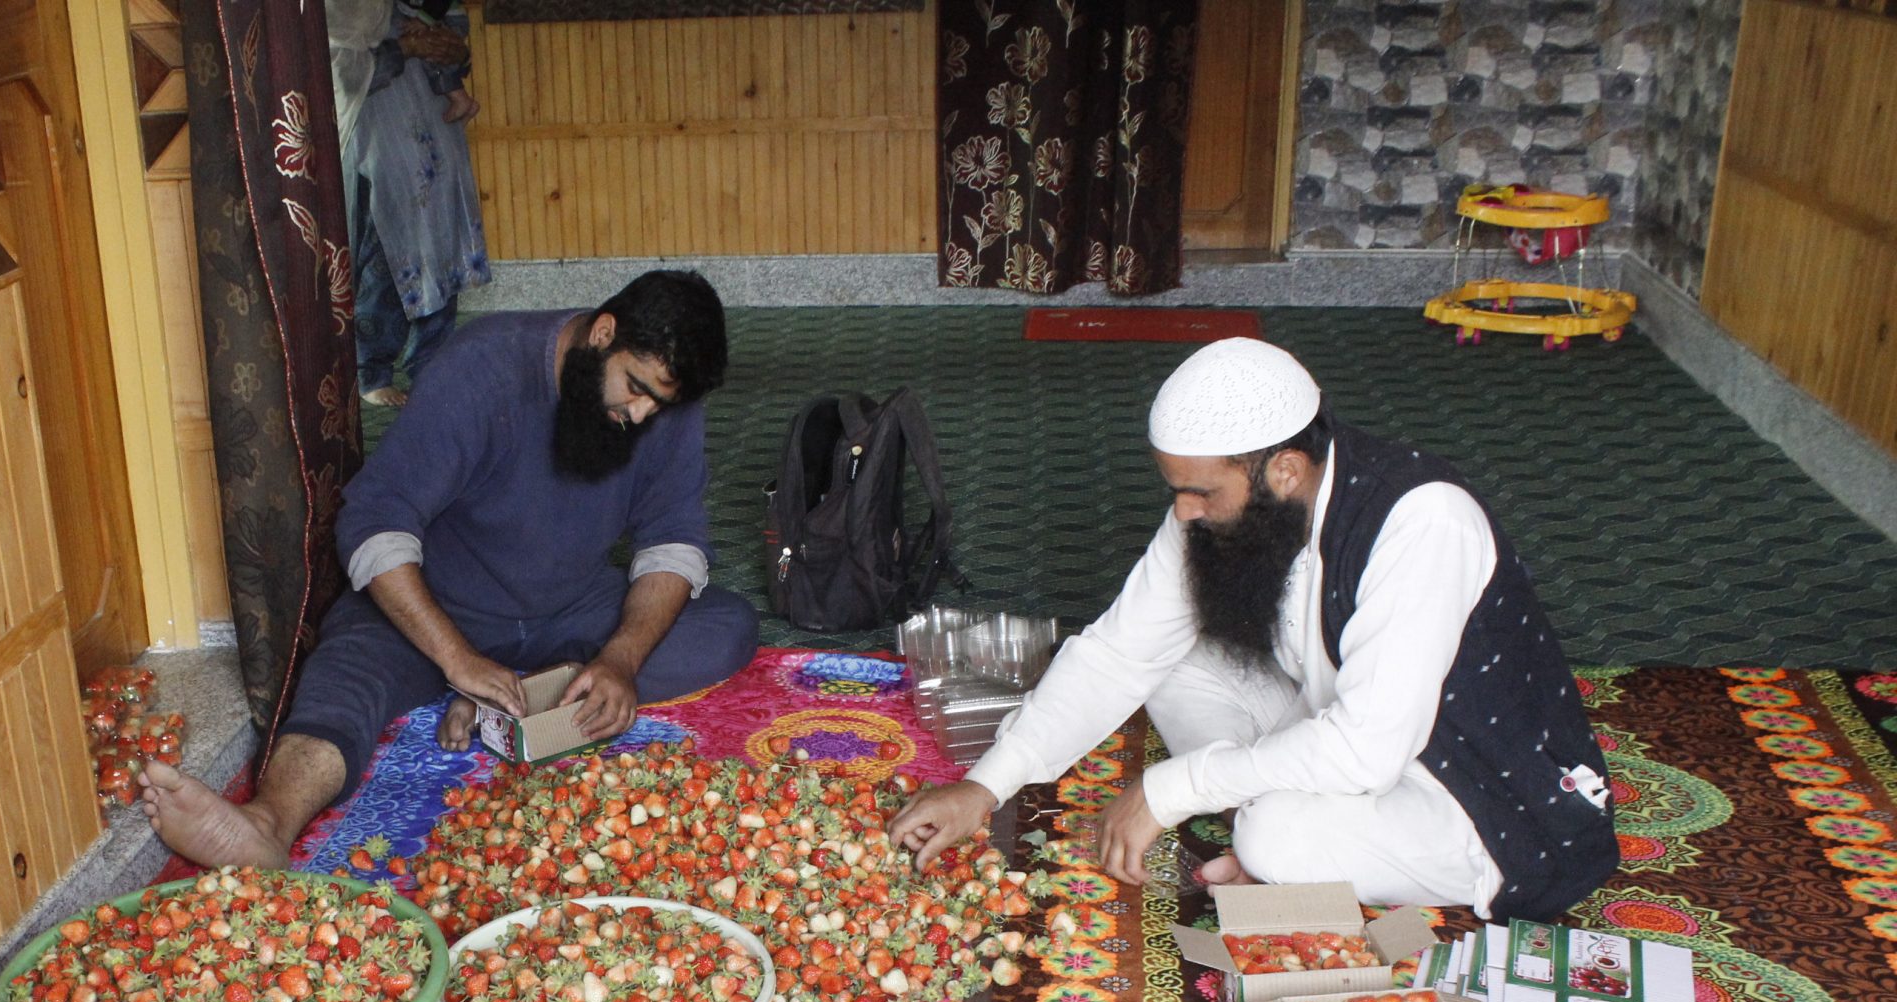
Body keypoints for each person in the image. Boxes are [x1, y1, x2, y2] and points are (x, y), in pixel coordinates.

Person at [887, 337, 1616, 919]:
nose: (1182, 512)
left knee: (1273, 834)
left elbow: (1368, 751)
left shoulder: (1423, 521)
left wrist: (1171, 788)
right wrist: (983, 787)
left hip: (1481, 799)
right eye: (1176, 489)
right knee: (1171, 662)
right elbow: (1117, 653)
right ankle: (1271, 818)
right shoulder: (1225, 508)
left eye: (1200, 491)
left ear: (1285, 471)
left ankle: (1273, 834)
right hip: (1349, 727)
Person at [143, 269, 761, 869]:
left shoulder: (661, 403)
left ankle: (526, 689)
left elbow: (673, 541)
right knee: (346, 673)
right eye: (636, 389)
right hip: (441, 606)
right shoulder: (483, 367)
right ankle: (267, 822)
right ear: (603, 333)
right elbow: (375, 522)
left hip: (567, 612)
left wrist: (621, 660)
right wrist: (455, 657)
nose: (641, 416)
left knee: (724, 624)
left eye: (660, 403)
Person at [329, 0, 488, 405]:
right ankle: (371, 369)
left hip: (432, 119)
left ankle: (432, 364)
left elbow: (449, 26)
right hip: (372, 129)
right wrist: (406, 48)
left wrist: (450, 46)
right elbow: (335, 69)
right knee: (385, 244)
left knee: (441, 235)